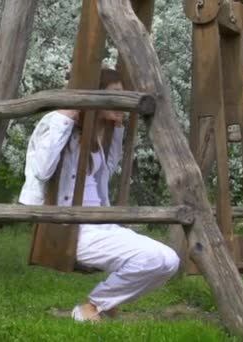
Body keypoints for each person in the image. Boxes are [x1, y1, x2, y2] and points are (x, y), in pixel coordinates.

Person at [18, 68, 180, 322]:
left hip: (102, 224)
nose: (123, 103)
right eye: (115, 96)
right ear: (94, 95)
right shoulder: (55, 123)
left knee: (170, 261)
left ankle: (107, 302)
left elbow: (108, 170)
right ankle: (90, 309)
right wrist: (69, 111)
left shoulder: (99, 137)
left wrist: (115, 128)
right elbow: (41, 170)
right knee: (152, 258)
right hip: (71, 229)